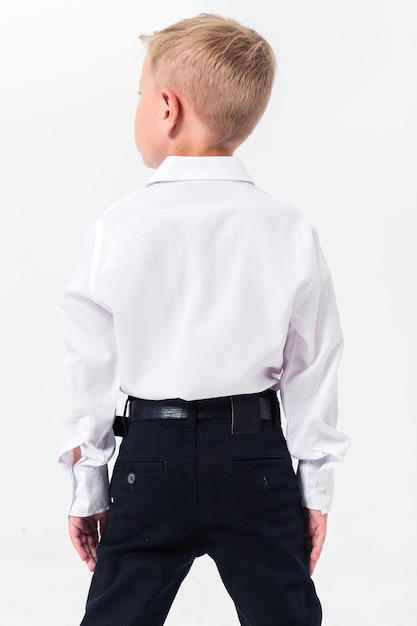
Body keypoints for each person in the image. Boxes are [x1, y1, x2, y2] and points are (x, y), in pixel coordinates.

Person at [59, 13, 350, 626]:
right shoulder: (287, 228)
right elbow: (314, 364)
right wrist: (314, 488)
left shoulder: (118, 228)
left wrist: (88, 485)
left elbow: (89, 364)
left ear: (167, 107)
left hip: (149, 460)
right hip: (255, 459)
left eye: (140, 94)